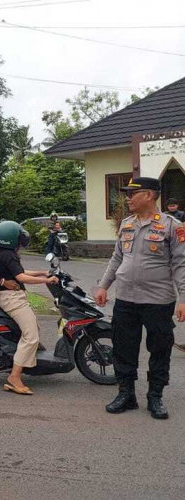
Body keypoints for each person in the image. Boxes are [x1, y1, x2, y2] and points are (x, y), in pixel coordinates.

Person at [94, 177, 185, 419]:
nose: (128, 198)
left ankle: (155, 397)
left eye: (133, 193)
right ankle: (126, 395)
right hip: (126, 298)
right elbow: (116, 258)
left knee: (159, 348)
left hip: (158, 300)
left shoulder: (171, 226)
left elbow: (180, 264)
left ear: (149, 195)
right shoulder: (126, 225)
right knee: (123, 347)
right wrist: (104, 286)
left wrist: (183, 298)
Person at [0, 221, 59, 395]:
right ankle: (14, 377)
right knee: (31, 336)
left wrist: (41, 272)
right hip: (12, 298)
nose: (22, 240)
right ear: (11, 238)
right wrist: (46, 280)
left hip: (11, 297)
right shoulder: (8, 255)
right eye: (19, 237)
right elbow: (21, 277)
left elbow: (19, 271)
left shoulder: (5, 253)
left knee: (33, 329)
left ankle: (29, 361)